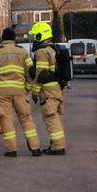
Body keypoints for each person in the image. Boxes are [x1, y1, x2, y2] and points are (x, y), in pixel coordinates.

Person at [0, 27, 42, 157]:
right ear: (14, 38)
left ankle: (11, 150)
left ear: (3, 38)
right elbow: (31, 71)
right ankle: (35, 147)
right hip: (20, 91)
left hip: (3, 92)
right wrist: (28, 87)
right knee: (26, 119)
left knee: (6, 120)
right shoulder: (23, 52)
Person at [29, 22, 66, 155]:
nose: (34, 39)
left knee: (50, 117)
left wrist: (35, 91)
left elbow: (41, 74)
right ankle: (57, 143)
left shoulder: (41, 52)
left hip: (48, 90)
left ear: (40, 35)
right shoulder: (54, 49)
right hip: (58, 88)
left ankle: (57, 146)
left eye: (35, 36)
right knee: (58, 118)